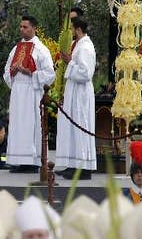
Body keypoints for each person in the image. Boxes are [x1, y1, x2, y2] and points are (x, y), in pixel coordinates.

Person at [3, 16, 55, 173]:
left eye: (25, 27)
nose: (22, 29)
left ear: (34, 28)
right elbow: (6, 70)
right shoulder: (16, 48)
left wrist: (30, 73)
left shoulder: (41, 49)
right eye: (20, 27)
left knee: (30, 126)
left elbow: (50, 74)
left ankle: (32, 162)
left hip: (32, 92)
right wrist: (11, 73)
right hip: (18, 92)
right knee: (17, 126)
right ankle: (17, 160)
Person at [55, 17, 97, 180]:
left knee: (80, 126)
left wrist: (70, 62)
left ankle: (83, 167)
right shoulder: (79, 44)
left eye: (72, 29)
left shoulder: (85, 46)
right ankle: (72, 164)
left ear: (78, 29)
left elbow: (86, 73)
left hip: (81, 93)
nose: (71, 32)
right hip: (74, 90)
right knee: (72, 127)